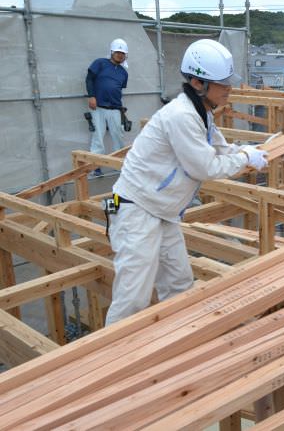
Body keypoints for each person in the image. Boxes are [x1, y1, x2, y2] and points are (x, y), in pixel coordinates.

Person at [104, 39, 268, 325]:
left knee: (179, 284)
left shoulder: (201, 113)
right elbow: (205, 166)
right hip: (137, 209)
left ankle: (174, 344)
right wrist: (244, 159)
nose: (229, 88)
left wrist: (253, 152)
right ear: (196, 82)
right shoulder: (181, 115)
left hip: (163, 211)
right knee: (133, 299)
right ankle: (109, 365)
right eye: (222, 83)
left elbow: (218, 148)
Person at [86, 38, 129, 176]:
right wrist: (91, 96)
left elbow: (118, 88)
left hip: (115, 108)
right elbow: (89, 79)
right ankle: (95, 166)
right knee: (98, 136)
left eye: (122, 53)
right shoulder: (100, 63)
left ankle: (119, 163)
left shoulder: (124, 72)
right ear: (111, 51)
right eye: (117, 52)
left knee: (118, 136)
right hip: (98, 107)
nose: (120, 55)